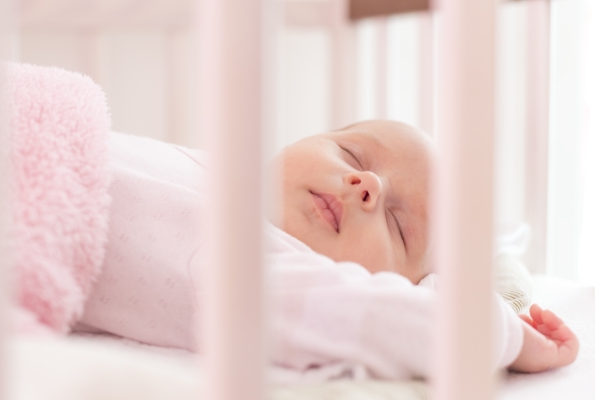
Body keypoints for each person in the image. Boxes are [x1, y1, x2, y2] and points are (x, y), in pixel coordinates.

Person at [73, 120, 579, 379]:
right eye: (351, 153)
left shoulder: (253, 267)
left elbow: (380, 319)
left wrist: (508, 335)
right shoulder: (221, 177)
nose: (368, 186)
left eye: (399, 227)